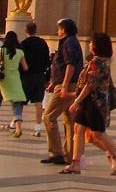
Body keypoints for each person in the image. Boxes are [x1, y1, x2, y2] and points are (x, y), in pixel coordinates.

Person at [62, 32, 116, 175]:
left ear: (97, 45)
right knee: (78, 130)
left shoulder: (97, 63)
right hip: (89, 102)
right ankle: (75, 163)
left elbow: (90, 85)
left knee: (98, 133)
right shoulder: (102, 62)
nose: (90, 45)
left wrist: (76, 101)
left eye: (92, 42)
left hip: (94, 103)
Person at [41, 18, 84, 166]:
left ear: (64, 30)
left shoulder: (68, 43)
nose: (58, 31)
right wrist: (55, 81)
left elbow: (70, 64)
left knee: (49, 117)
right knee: (69, 120)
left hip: (67, 85)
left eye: (59, 29)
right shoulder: (71, 42)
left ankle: (56, 152)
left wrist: (64, 85)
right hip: (68, 83)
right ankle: (70, 154)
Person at [0, 30, 28, 136]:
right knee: (16, 103)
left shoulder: (2, 50)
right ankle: (18, 128)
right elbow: (25, 67)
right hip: (15, 80)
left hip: (3, 80)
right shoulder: (20, 52)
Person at [21, 22, 50, 137]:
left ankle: (16, 122)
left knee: (21, 101)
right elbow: (47, 61)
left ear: (25, 31)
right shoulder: (42, 43)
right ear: (36, 31)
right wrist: (47, 78)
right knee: (38, 102)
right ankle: (37, 127)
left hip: (27, 76)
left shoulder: (23, 44)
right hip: (40, 75)